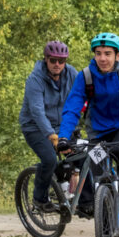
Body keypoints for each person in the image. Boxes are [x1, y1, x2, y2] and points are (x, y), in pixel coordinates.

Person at [56, 32, 119, 217]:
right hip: (98, 132)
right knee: (95, 165)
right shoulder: (85, 76)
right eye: (98, 53)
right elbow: (72, 108)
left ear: (117, 55)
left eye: (108, 53)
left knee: (118, 151)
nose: (102, 58)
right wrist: (63, 137)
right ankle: (104, 216)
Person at [19, 40, 78, 212]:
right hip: (35, 127)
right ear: (46, 59)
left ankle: (84, 199)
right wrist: (52, 136)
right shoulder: (35, 79)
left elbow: (85, 96)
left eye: (61, 60)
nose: (57, 64)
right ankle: (40, 199)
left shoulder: (72, 74)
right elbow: (37, 111)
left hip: (61, 125)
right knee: (50, 159)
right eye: (53, 60)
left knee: (82, 153)